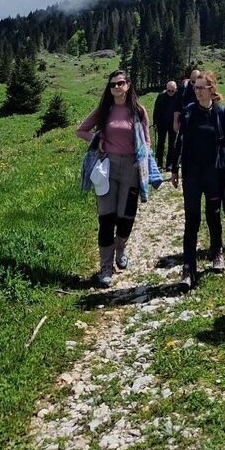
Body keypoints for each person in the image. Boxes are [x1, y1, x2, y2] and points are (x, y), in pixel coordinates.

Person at [77, 69, 150, 287]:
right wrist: (96, 140)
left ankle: (121, 249)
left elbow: (147, 141)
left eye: (120, 83)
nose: (116, 88)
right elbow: (81, 130)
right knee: (106, 219)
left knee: (125, 217)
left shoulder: (138, 111)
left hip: (131, 168)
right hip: (107, 168)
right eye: (112, 85)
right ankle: (106, 266)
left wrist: (143, 159)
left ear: (128, 85)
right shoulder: (104, 110)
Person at [170, 70, 225, 290]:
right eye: (195, 87)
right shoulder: (189, 112)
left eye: (202, 88)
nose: (197, 92)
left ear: (212, 90)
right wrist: (174, 168)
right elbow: (179, 141)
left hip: (214, 173)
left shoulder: (221, 113)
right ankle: (188, 267)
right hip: (192, 174)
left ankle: (216, 251)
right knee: (191, 220)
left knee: (213, 215)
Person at [152, 79, 179, 168]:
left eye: (173, 91)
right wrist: (155, 123)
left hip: (173, 124)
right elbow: (156, 111)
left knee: (172, 144)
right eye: (169, 90)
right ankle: (159, 163)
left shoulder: (178, 97)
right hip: (161, 124)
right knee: (160, 143)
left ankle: (169, 164)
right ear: (166, 89)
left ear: (175, 89)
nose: (171, 92)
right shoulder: (161, 96)